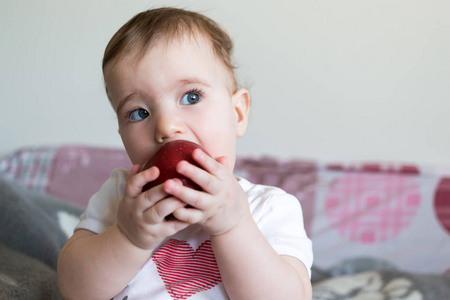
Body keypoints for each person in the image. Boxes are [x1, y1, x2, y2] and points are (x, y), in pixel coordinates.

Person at [57, 7, 313, 300]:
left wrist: (234, 226)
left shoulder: (267, 208)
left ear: (238, 113)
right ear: (121, 135)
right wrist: (128, 238)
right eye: (139, 113)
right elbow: (74, 289)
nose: (166, 127)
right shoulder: (119, 197)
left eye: (191, 97)